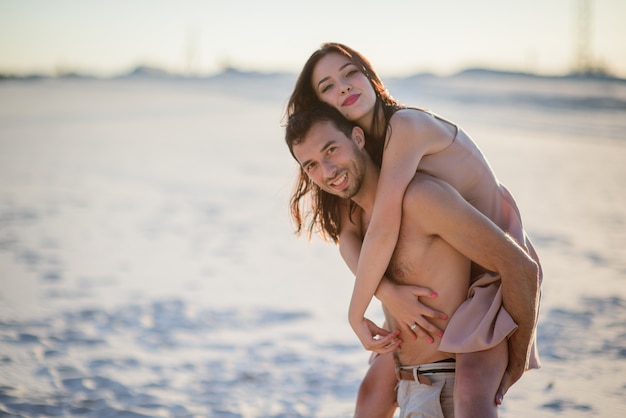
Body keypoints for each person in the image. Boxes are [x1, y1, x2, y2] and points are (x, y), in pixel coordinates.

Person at [286, 43, 542, 417]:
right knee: (373, 388)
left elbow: (386, 227)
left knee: (472, 394)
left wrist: (356, 315)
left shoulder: (405, 127)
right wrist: (388, 292)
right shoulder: (365, 155)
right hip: (462, 263)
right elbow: (348, 239)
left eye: (350, 73)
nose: (342, 87)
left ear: (370, 76)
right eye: (327, 86)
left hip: (493, 272)